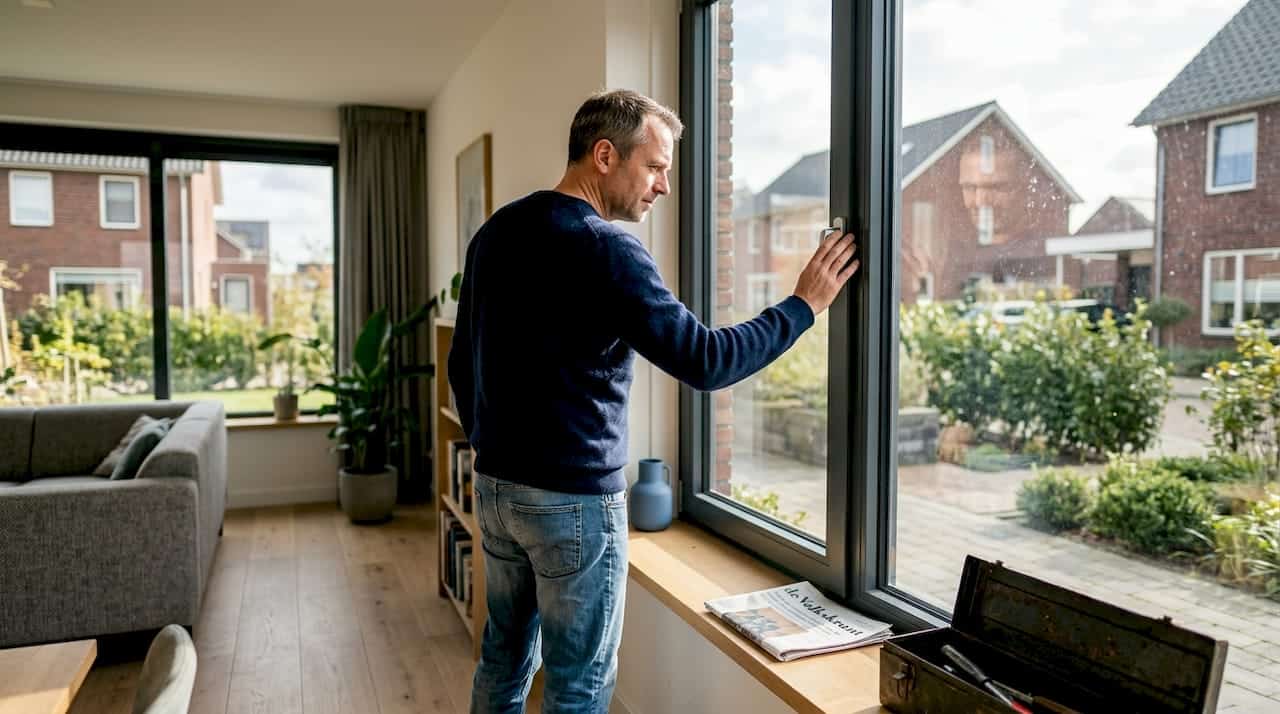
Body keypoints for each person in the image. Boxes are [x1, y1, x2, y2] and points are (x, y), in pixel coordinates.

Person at [448, 89, 858, 714]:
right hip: (574, 508)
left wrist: (492, 448)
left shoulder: (496, 233)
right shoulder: (607, 249)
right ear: (605, 155)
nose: (665, 186)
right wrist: (804, 306)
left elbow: (460, 361)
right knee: (578, 686)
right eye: (657, 166)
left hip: (499, 491)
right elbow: (707, 361)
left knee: (503, 657)